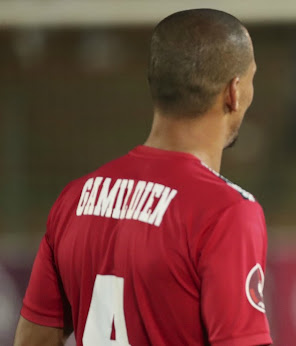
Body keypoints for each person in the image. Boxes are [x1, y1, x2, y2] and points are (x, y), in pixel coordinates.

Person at [14, 9, 272, 346]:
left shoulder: (75, 198)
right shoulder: (226, 213)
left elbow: (33, 340)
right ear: (234, 91)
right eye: (252, 77)